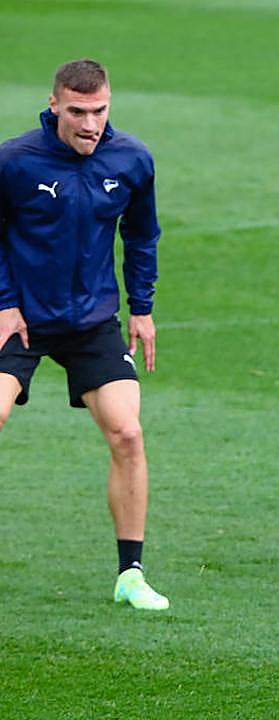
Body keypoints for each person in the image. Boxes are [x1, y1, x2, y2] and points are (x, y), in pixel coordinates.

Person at [0, 59, 167, 610]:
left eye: (99, 111)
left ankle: (131, 575)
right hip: (22, 317)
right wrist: (4, 303)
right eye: (78, 112)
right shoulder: (15, 161)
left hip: (92, 321)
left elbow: (142, 236)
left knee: (128, 434)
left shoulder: (132, 159)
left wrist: (141, 309)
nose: (90, 124)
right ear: (54, 106)